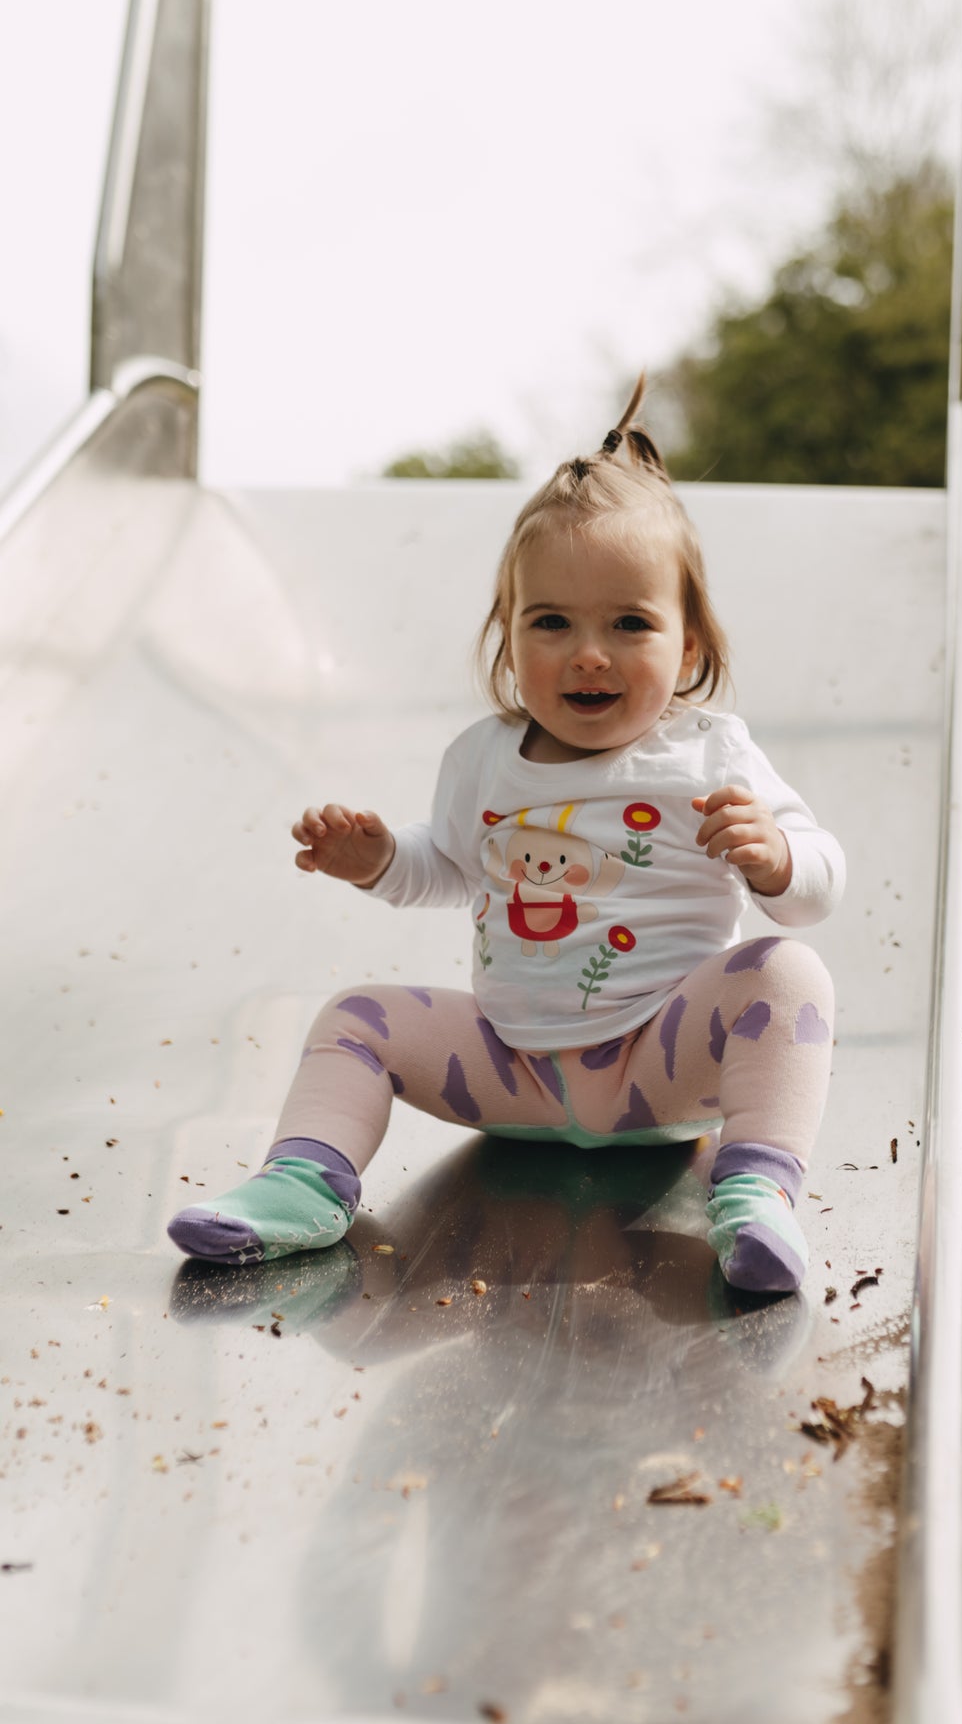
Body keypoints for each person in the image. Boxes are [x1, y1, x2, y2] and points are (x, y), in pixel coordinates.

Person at [167, 377, 843, 1293]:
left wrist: (776, 855)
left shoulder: (710, 752)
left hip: (661, 1068)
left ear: (687, 649)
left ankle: (757, 1193)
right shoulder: (483, 759)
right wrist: (378, 861)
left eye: (629, 624)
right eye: (551, 622)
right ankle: (302, 1183)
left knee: (788, 974)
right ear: (509, 636)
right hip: (510, 1072)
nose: (588, 653)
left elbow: (816, 888)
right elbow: (446, 868)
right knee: (355, 1017)